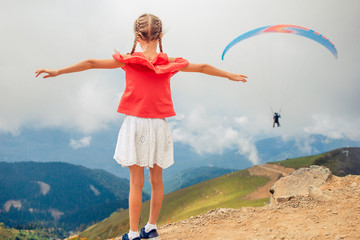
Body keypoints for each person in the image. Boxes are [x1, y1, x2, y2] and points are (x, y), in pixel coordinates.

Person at [35, 13, 247, 240]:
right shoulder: (168, 62)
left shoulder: (127, 60)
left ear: (136, 36)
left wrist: (58, 71)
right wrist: (229, 75)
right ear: (161, 35)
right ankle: (151, 228)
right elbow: (203, 67)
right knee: (157, 181)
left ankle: (134, 233)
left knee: (136, 184)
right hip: (159, 126)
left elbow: (91, 63)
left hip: (135, 124)